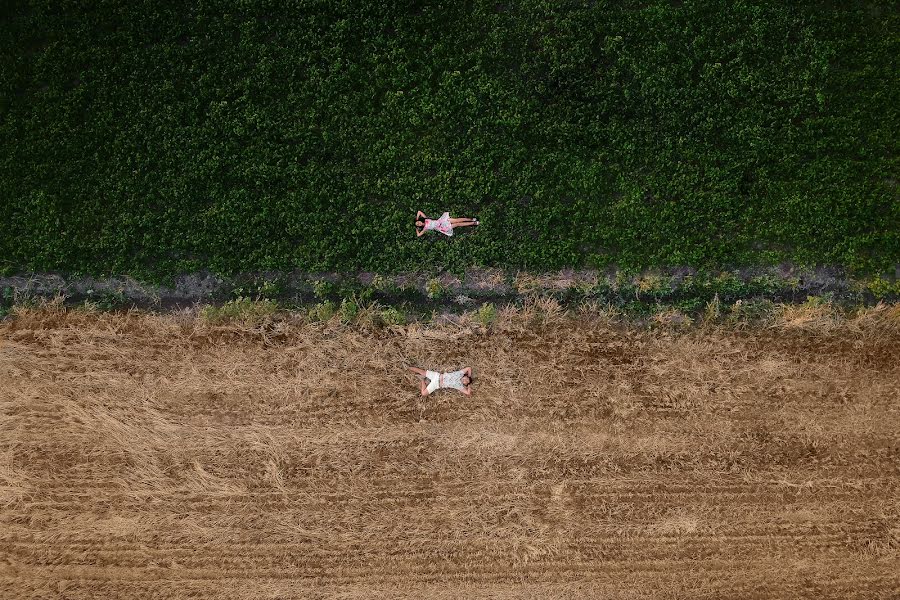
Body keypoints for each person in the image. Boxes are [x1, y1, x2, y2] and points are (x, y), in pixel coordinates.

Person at [408, 366, 473, 396]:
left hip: (437, 384)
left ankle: (422, 379)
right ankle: (408, 367)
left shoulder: (459, 386)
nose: (465, 380)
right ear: (465, 375)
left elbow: (468, 393)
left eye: (466, 382)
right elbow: (469, 368)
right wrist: (469, 376)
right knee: (421, 371)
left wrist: (469, 385)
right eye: (466, 378)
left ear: (465, 384)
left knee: (423, 393)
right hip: (437, 376)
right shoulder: (460, 373)